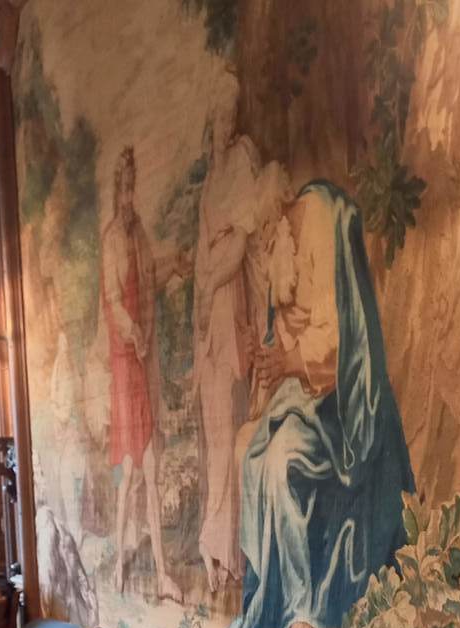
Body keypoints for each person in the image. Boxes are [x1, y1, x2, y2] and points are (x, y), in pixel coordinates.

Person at [223, 171, 415, 628]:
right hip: (302, 395)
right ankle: (270, 595)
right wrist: (267, 354)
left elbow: (337, 337)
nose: (260, 243)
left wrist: (287, 360)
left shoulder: (318, 219)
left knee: (279, 462)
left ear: (273, 211)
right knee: (247, 450)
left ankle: (304, 602)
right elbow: (286, 324)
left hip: (340, 400)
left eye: (260, 231)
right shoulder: (280, 240)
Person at [102, 145, 184, 602]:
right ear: (117, 191)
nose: (130, 196)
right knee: (131, 474)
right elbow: (115, 300)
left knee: (151, 470)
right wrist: (134, 331)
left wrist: (177, 265)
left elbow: (150, 277)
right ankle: (119, 564)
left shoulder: (139, 236)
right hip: (125, 366)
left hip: (142, 363)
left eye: (134, 187)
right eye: (125, 188)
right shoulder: (113, 239)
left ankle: (163, 574)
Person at [192, 68, 259, 593]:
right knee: (214, 439)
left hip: (230, 308)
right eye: (219, 115)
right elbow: (202, 255)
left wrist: (212, 279)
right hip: (210, 318)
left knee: (231, 438)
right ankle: (215, 547)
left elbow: (238, 246)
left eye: (230, 115)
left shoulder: (240, 162)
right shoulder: (211, 180)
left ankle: (231, 551)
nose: (224, 124)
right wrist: (198, 304)